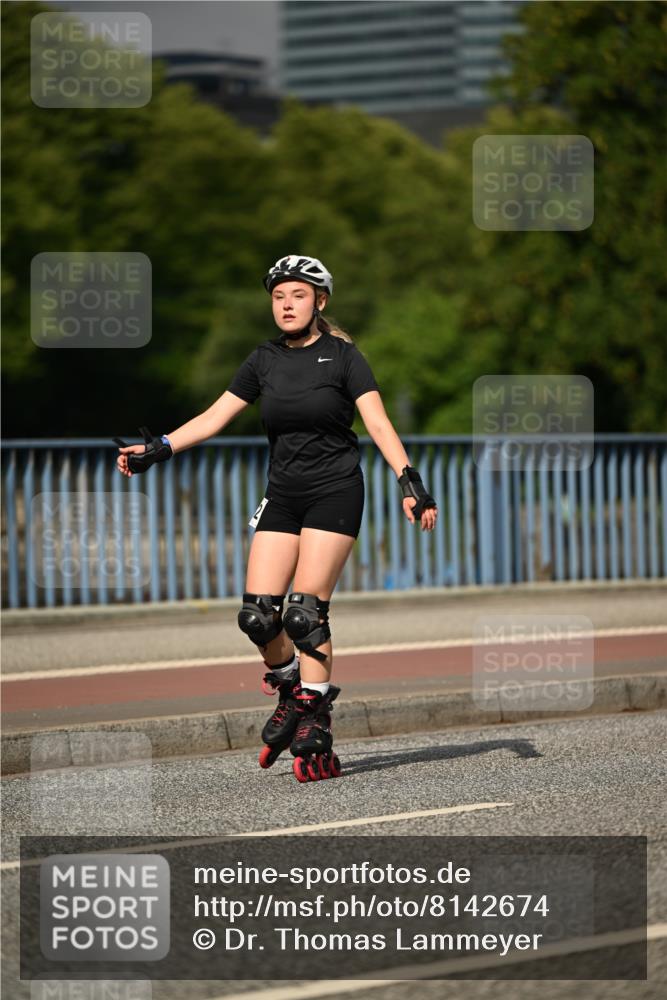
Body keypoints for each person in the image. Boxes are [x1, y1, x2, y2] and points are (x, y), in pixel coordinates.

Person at [114, 253, 438, 783]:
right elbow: (216, 416)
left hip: (335, 491)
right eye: (279, 297)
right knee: (258, 618)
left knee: (304, 613)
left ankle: (316, 714)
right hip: (283, 495)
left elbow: (377, 423)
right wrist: (160, 448)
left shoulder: (343, 358)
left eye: (299, 296)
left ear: (320, 302)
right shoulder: (263, 359)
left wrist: (411, 484)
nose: (287, 305)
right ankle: (291, 686)